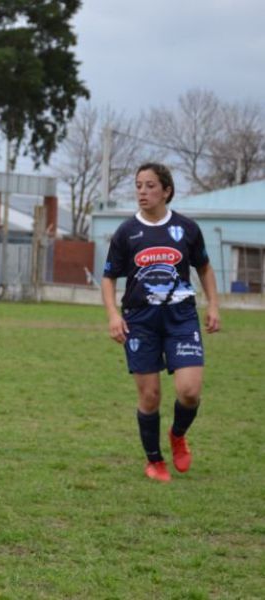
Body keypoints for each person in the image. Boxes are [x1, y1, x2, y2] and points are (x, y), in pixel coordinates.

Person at [102, 162, 220, 483]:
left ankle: (178, 433)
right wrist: (113, 314)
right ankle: (154, 461)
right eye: (139, 185)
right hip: (140, 321)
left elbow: (205, 268)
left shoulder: (187, 229)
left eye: (150, 185)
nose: (142, 191)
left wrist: (213, 306)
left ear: (166, 190)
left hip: (181, 317)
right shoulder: (127, 232)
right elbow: (109, 277)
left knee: (190, 391)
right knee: (150, 395)